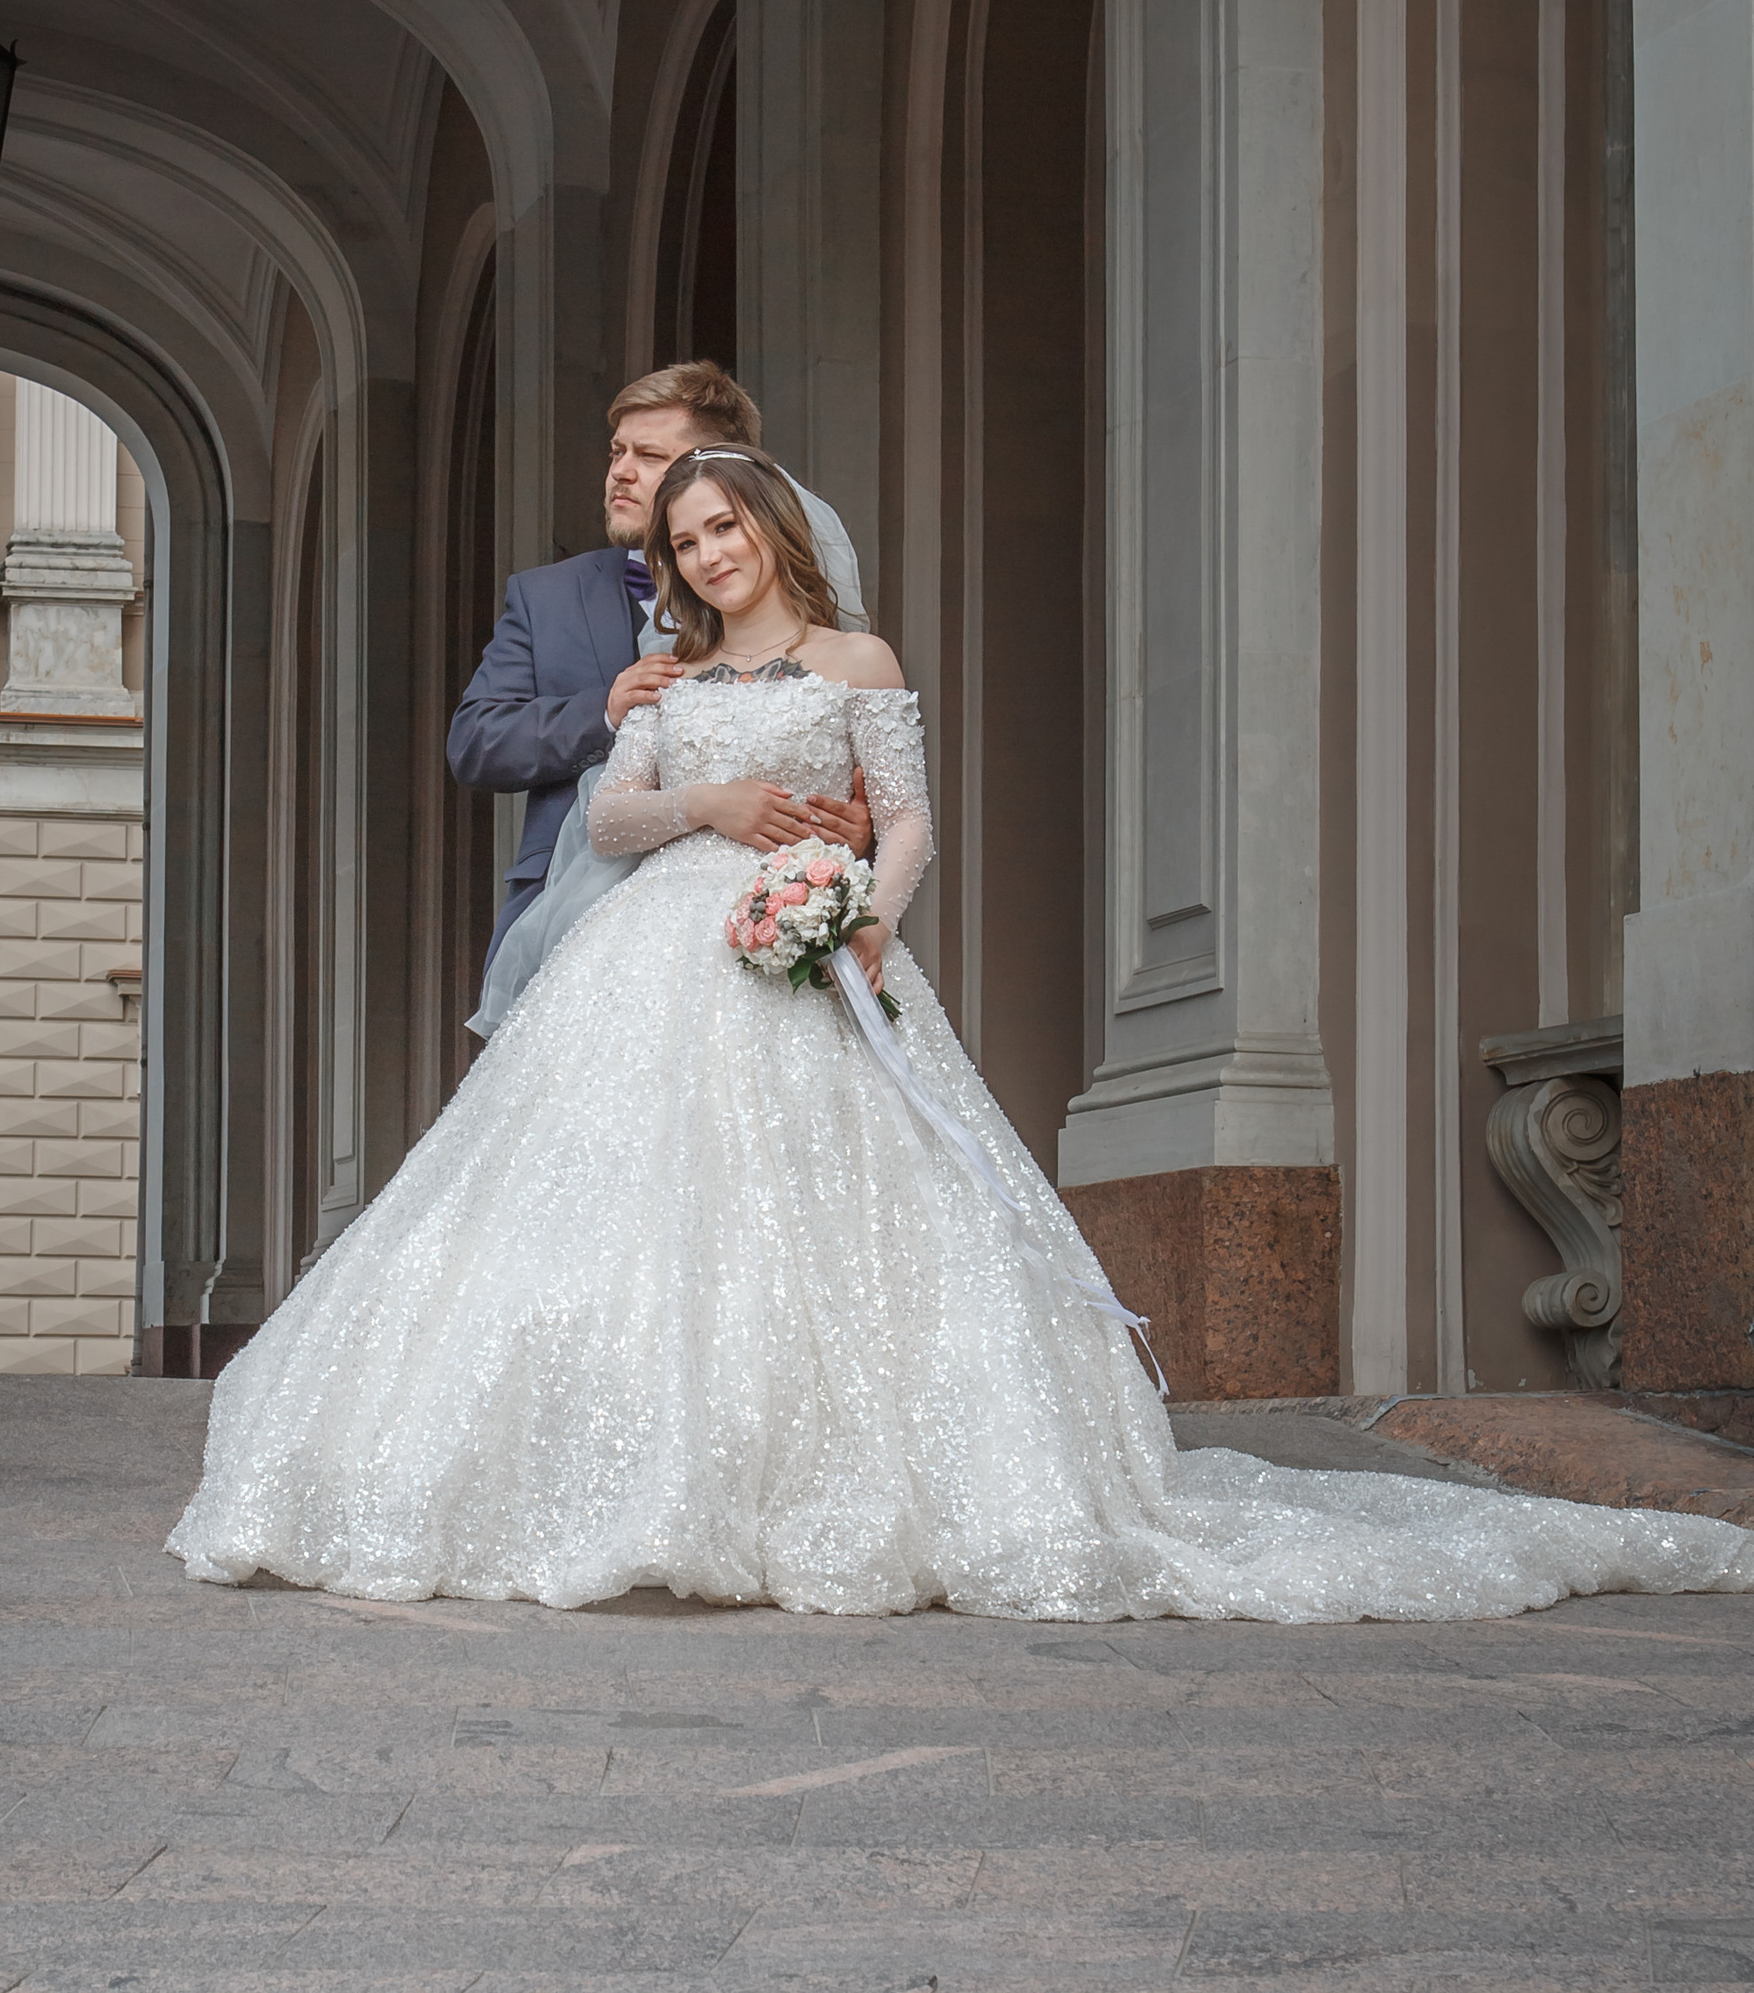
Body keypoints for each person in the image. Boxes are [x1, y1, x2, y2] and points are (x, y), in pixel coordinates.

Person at [171, 448, 1754, 1621]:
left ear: (772, 529)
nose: (706, 555)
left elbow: (911, 820)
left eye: (722, 528)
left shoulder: (859, 662)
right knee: (607, 1200)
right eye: (683, 541)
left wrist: (865, 914)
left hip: (809, 942)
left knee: (845, 1208)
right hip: (657, 952)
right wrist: (709, 801)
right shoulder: (666, 677)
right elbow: (619, 809)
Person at [446, 360, 867, 978]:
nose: (620, 471)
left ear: (712, 469)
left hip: (757, 921)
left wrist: (853, 836)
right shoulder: (545, 596)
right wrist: (605, 710)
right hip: (568, 920)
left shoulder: (806, 620)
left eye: (647, 455)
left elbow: (849, 773)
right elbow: (475, 741)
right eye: (617, 451)